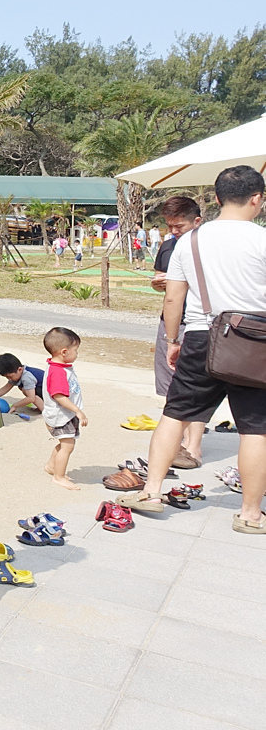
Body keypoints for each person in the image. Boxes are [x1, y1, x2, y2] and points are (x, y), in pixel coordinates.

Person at [123, 166, 266, 532]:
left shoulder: (191, 240)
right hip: (254, 343)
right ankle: (250, 514)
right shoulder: (262, 240)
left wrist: (173, 340)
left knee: (176, 412)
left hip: (202, 335)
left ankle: (152, 492)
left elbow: (174, 296)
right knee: (255, 428)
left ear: (216, 199)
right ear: (257, 199)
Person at [149, 196, 206, 468]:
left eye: (179, 226)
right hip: (170, 320)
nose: (173, 232)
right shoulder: (168, 246)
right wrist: (159, 284)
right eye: (169, 226)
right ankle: (181, 442)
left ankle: (193, 446)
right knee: (171, 385)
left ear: (197, 221)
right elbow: (164, 286)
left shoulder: (207, 248)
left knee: (194, 384)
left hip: (195, 321)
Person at [41, 328, 87, 490]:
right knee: (68, 445)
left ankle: (52, 466)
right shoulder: (58, 371)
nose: (77, 354)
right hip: (61, 416)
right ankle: (58, 477)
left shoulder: (59, 366)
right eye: (76, 350)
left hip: (63, 415)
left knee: (64, 442)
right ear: (64, 352)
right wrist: (77, 411)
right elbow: (59, 395)